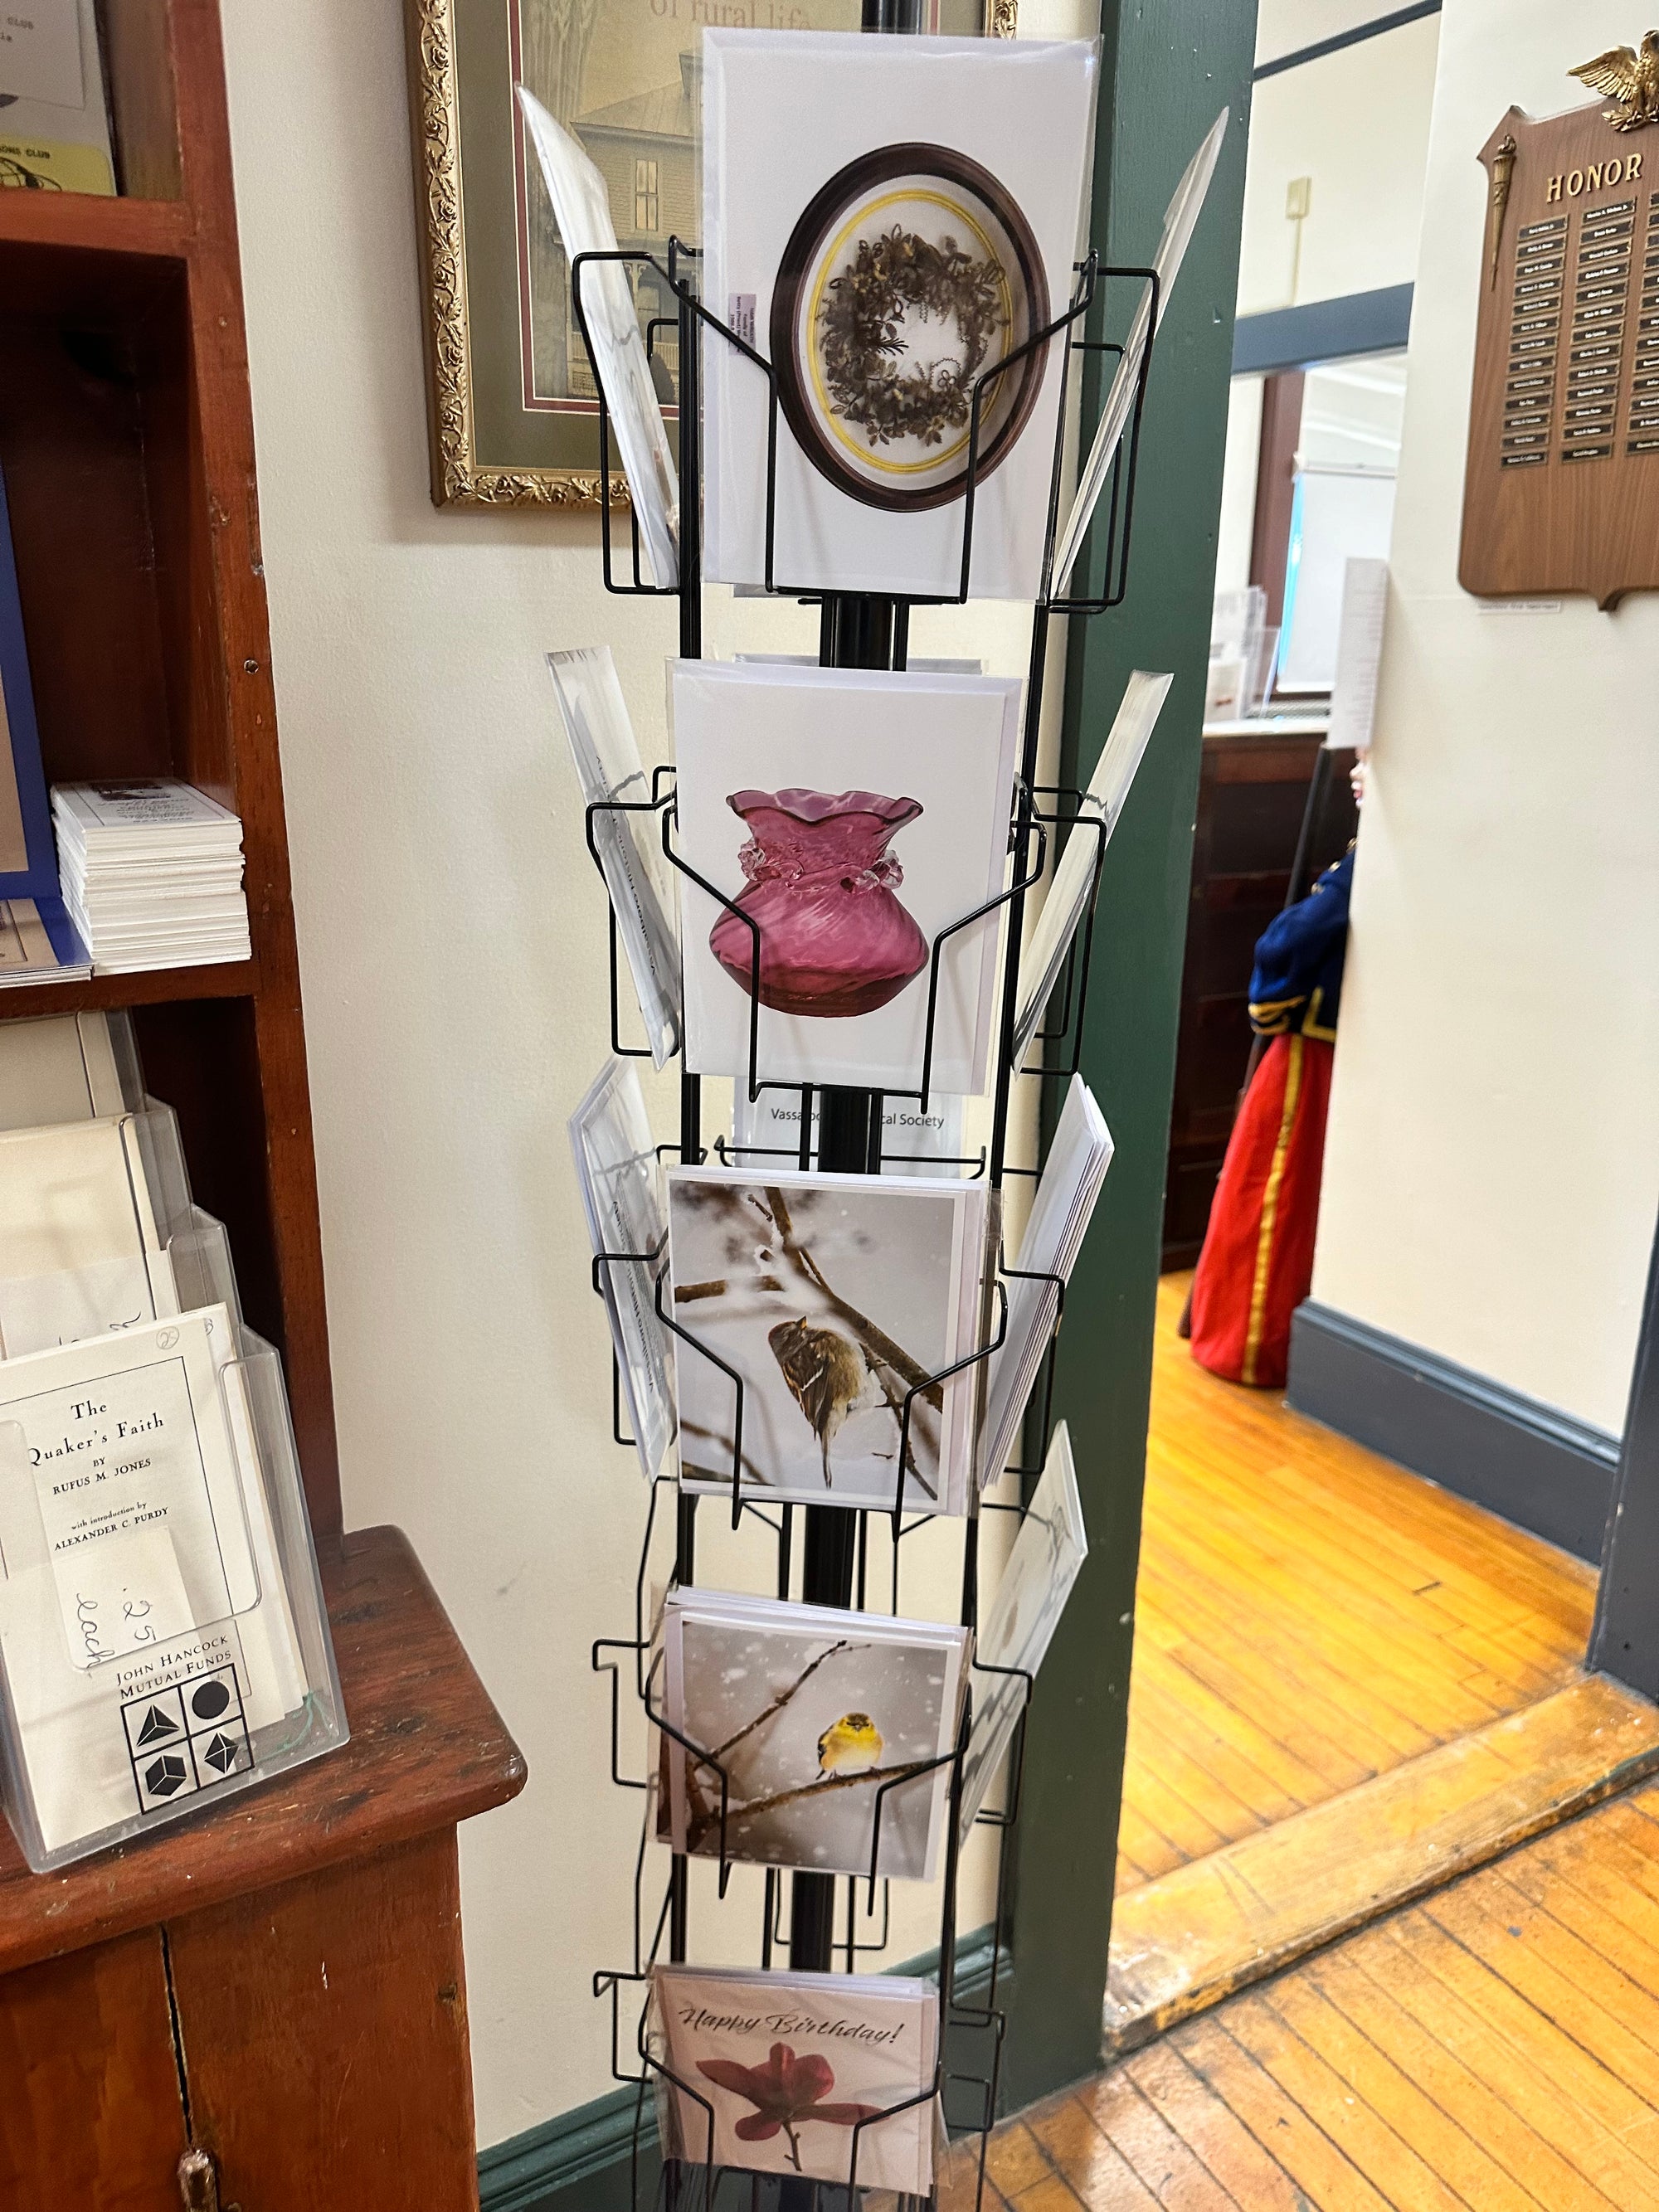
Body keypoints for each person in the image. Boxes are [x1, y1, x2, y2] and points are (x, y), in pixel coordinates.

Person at [1185, 793, 1358, 1390]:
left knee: (1274, 1194)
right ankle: (1242, 1337)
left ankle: (1252, 1342)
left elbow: (1287, 945)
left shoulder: (1364, 866)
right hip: (1313, 1054)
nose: (1357, 773)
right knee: (1270, 1190)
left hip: (1316, 1056)